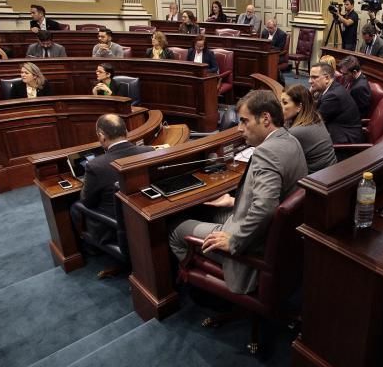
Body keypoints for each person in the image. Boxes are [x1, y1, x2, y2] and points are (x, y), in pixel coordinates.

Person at [169, 90, 308, 294]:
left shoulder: (265, 153)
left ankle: (207, 292)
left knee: (177, 229)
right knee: (211, 211)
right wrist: (235, 201)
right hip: (280, 242)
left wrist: (234, 241)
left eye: (244, 121)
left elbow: (265, 208)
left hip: (253, 247)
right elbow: (274, 198)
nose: (239, 129)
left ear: (265, 118)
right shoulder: (290, 139)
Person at [79, 114, 154, 246]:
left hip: (115, 228)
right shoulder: (149, 151)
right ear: (126, 132)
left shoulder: (95, 165)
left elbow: (87, 202)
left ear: (102, 136)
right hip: (146, 219)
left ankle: (91, 250)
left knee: (75, 206)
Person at [281, 84, 337, 173]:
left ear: (299, 107)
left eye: (285, 103)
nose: (280, 107)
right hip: (330, 173)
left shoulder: (296, 132)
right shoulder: (315, 117)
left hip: (315, 181)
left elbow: (280, 158)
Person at [309, 62, 364, 144]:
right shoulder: (332, 87)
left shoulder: (333, 95)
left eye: (314, 77)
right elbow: (317, 108)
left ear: (327, 78)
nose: (310, 81)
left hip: (345, 141)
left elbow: (314, 121)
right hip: (336, 129)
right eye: (310, 77)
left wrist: (308, 96)